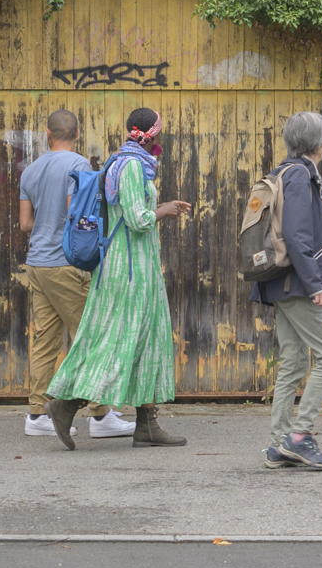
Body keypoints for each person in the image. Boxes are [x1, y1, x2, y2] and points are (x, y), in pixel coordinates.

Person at [40, 108, 191, 449]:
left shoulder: (126, 161)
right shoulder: (133, 165)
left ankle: (146, 424)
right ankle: (66, 405)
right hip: (128, 270)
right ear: (148, 134)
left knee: (148, 339)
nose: (161, 138)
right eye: (159, 131)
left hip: (139, 266)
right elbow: (138, 219)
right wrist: (163, 210)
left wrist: (160, 206)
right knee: (116, 341)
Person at [16, 110, 132, 441]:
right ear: (77, 133)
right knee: (91, 336)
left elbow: (26, 224)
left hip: (37, 262)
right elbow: (75, 212)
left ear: (48, 134)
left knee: (46, 339)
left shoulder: (32, 169)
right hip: (64, 264)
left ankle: (36, 414)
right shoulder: (79, 165)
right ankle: (100, 414)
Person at [253, 111, 322, 471]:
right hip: (296, 283)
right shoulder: (300, 177)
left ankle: (280, 445)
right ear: (320, 143)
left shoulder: (282, 172)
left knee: (292, 361)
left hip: (280, 282)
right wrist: (317, 284)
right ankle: (299, 436)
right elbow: (297, 236)